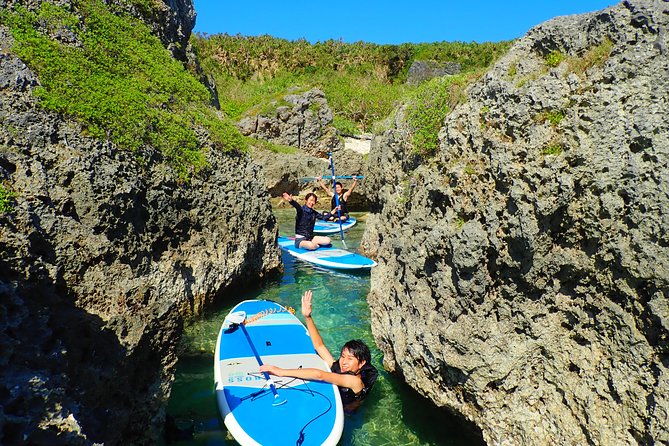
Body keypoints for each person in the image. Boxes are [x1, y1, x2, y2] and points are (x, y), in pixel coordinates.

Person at [260, 290, 378, 412]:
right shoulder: (341, 368)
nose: (344, 362)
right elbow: (319, 346)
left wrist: (280, 371)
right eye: (343, 356)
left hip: (345, 412)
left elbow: (319, 375)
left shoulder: (354, 381)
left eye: (350, 358)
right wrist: (307, 317)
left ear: (362, 363)